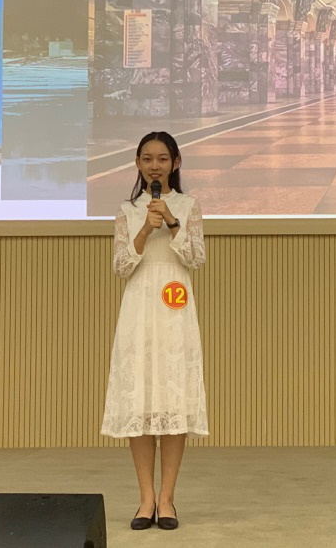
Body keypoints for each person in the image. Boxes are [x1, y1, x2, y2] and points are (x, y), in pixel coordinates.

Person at [100, 131, 207, 531]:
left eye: (163, 158)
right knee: (141, 401)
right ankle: (145, 499)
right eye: (147, 159)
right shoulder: (126, 210)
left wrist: (173, 222)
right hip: (139, 306)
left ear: (175, 163)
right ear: (138, 164)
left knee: (172, 399)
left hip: (174, 304)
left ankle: (167, 499)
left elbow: (195, 258)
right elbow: (121, 266)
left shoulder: (188, 206)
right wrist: (145, 228)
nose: (155, 166)